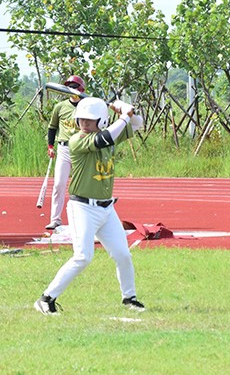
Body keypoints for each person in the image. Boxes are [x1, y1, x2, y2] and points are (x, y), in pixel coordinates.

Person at [34, 97, 146, 315]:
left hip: (106, 209)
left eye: (90, 120)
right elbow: (104, 137)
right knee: (83, 256)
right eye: (81, 119)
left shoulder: (109, 135)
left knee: (123, 254)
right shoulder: (77, 141)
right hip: (82, 208)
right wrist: (123, 115)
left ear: (102, 120)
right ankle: (46, 298)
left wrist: (127, 111)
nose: (84, 123)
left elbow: (137, 124)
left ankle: (129, 298)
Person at [45, 75, 86, 230]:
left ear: (81, 89)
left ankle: (81, 218)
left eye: (75, 87)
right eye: (69, 87)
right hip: (63, 148)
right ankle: (55, 219)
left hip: (81, 149)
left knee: (80, 186)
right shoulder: (60, 107)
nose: (72, 90)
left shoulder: (85, 106)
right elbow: (52, 127)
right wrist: (50, 146)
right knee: (58, 185)